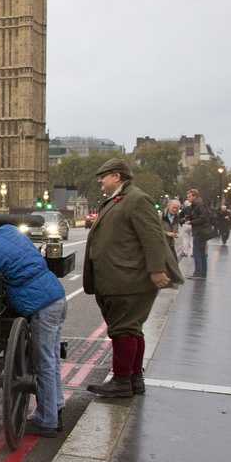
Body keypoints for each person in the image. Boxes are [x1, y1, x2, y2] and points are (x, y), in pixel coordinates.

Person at [84, 158, 183, 398]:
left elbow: (152, 237)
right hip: (119, 277)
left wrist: (157, 270)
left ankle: (121, 381)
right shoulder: (119, 199)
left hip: (128, 278)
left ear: (117, 176)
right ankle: (134, 378)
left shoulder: (137, 199)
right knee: (132, 330)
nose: (100, 181)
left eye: (104, 176)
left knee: (123, 330)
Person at [0, 220, 67, 437]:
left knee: (43, 363)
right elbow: (5, 255)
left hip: (41, 305)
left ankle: (48, 422)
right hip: (56, 295)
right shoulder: (7, 231)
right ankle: (55, 407)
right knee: (52, 358)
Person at [184, 188, 213, 279]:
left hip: (200, 232)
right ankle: (203, 273)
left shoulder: (199, 205)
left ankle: (198, 273)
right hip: (202, 231)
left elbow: (203, 218)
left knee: (197, 252)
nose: (188, 198)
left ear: (194, 196)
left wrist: (191, 222)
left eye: (189, 196)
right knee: (202, 253)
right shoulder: (198, 204)